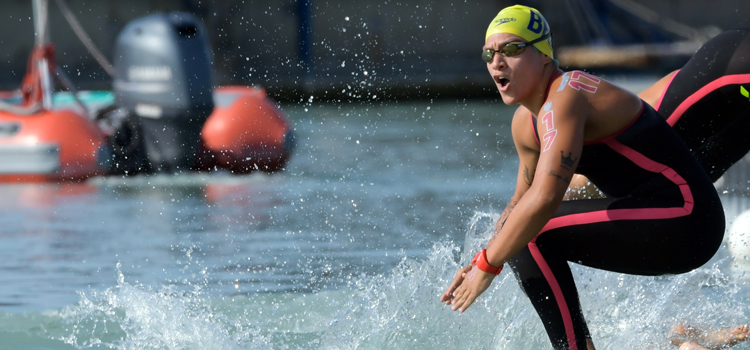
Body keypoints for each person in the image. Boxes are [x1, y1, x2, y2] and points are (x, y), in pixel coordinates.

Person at [439, 5, 726, 350]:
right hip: (655, 222)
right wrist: (479, 259)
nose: (497, 62)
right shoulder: (525, 124)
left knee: (530, 234)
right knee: (521, 230)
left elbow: (545, 199)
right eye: (489, 53)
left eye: (512, 49)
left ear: (544, 55)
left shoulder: (567, 96)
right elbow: (520, 200)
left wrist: (490, 264)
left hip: (689, 218)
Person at [567, 28, 750, 199]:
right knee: (619, 170)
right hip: (726, 65)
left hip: (739, 98)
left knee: (689, 196)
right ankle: (549, 207)